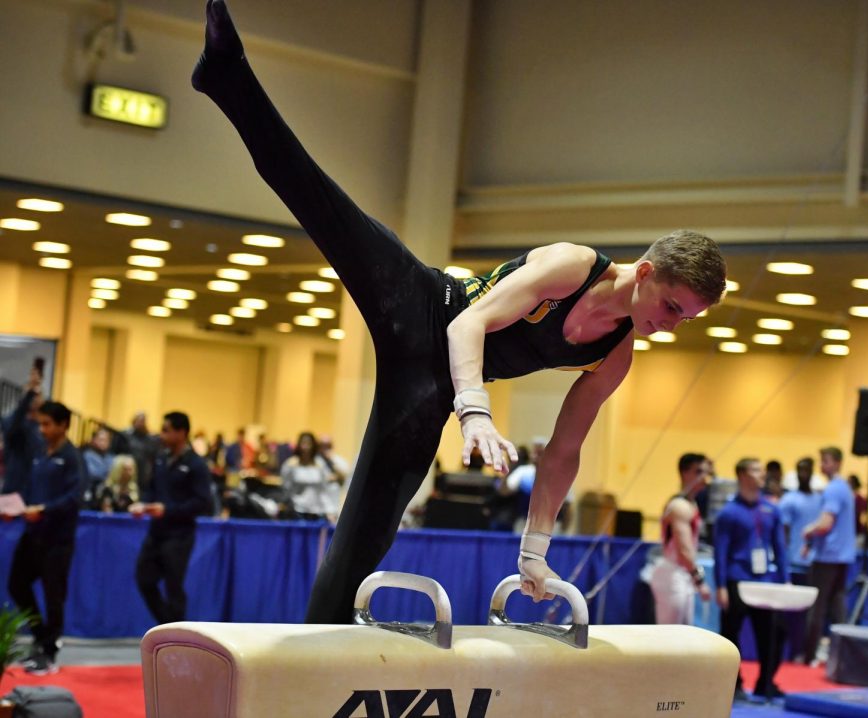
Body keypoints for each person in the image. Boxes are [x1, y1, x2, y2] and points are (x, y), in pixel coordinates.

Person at [192, 0, 727, 622]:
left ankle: (317, 662)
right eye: (670, 305)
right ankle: (226, 73)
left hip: (429, 384)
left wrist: (535, 548)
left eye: (684, 319)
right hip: (421, 301)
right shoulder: (571, 266)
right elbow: (467, 323)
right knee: (318, 198)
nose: (669, 323)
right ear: (644, 273)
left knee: (368, 530)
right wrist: (475, 413)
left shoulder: (615, 357)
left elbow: (562, 452)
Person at [4, 401, 82, 675]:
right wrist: (15, 508)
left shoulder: (72, 457)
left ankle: (50, 653)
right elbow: (30, 490)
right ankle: (40, 636)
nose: (42, 429)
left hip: (57, 540)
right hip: (32, 533)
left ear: (63, 425)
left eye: (48, 424)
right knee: (16, 584)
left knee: (54, 596)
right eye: (40, 423)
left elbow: (74, 498)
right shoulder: (39, 453)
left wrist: (46, 510)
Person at [714, 457, 789, 700]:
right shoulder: (728, 513)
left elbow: (780, 547)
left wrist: (785, 580)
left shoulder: (771, 510)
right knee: (730, 635)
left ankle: (765, 682)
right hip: (737, 579)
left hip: (764, 581)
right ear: (742, 475)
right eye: (756, 470)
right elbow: (721, 551)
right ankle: (733, 683)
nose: (762, 474)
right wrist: (721, 585)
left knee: (772, 633)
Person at [132, 412, 212, 624]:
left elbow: (202, 502)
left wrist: (168, 510)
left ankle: (176, 636)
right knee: (144, 579)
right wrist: (144, 504)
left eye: (167, 430)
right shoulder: (160, 459)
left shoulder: (196, 464)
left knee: (173, 586)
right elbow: (151, 489)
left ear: (181, 433)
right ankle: (168, 625)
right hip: (156, 532)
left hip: (179, 536)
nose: (162, 434)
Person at [801, 446, 856, 665]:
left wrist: (807, 531)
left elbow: (825, 523)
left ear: (838, 463)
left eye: (826, 461)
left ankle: (809, 656)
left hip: (828, 556)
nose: (823, 465)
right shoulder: (845, 488)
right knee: (838, 607)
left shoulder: (833, 489)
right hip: (842, 556)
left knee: (817, 608)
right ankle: (841, 656)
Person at [650, 453, 712, 624]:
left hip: (683, 574)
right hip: (672, 573)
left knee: (684, 635)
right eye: (699, 471)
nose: (705, 477)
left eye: (706, 472)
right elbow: (684, 549)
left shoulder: (692, 504)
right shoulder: (679, 507)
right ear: (685, 473)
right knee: (669, 636)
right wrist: (699, 581)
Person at [779, 457, 823, 661]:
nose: (803, 474)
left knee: (810, 613)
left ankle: (803, 651)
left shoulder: (819, 499)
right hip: (793, 563)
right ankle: (789, 651)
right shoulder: (789, 500)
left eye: (807, 470)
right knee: (790, 612)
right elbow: (783, 532)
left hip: (813, 563)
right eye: (800, 470)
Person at [0, 368, 45, 496]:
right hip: (14, 486)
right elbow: (12, 429)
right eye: (31, 395)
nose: (34, 399)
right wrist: (29, 393)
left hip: (36, 486)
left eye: (38, 395)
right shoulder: (11, 420)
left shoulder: (45, 427)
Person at [280, 432, 340, 522]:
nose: (306, 447)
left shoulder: (319, 464)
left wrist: (330, 510)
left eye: (309, 443)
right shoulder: (291, 464)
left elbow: (324, 490)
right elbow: (286, 487)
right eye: (303, 443)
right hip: (296, 510)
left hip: (316, 511)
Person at [123, 411, 159, 492]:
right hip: (129, 469)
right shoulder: (126, 435)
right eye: (138, 421)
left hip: (143, 472)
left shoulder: (150, 438)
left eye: (142, 421)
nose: (140, 423)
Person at [81, 427, 115, 508]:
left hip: (107, 496)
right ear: (93, 440)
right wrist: (107, 473)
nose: (103, 442)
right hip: (90, 495)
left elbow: (115, 476)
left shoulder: (112, 458)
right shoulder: (87, 456)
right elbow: (93, 474)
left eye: (106, 440)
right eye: (100, 439)